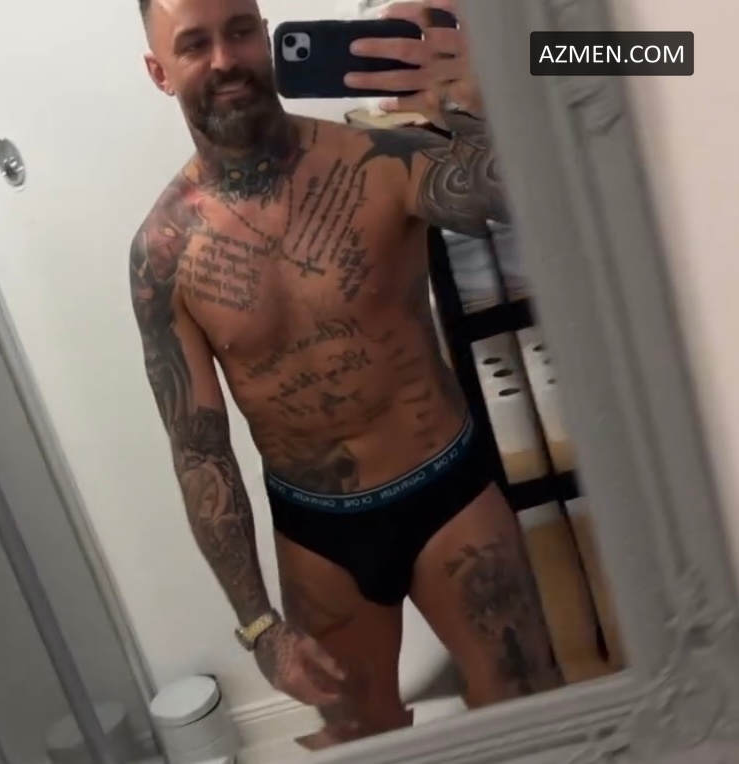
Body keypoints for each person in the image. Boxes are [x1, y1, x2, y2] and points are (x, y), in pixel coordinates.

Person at [130, 0, 562, 750]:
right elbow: (199, 451)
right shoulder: (164, 255)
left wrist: (467, 95)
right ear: (160, 72)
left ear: (267, 35)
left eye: (240, 31)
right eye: (194, 44)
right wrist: (259, 626)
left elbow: (530, 187)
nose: (226, 59)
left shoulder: (377, 160)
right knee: (363, 738)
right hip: (317, 534)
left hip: (445, 490)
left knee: (527, 713)